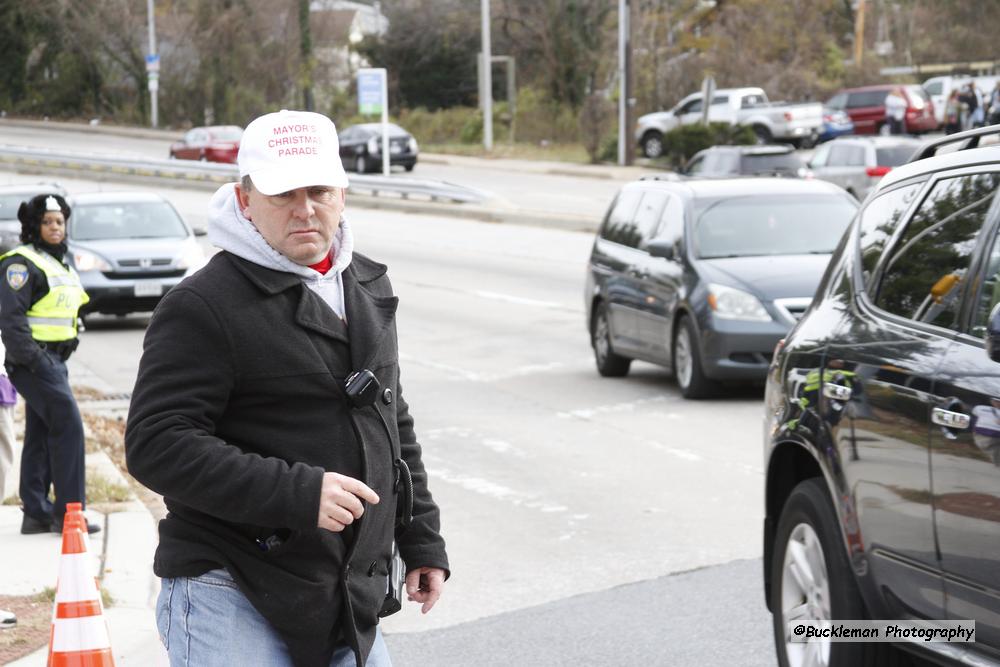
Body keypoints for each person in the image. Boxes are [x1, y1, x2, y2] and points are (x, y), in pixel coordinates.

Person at [125, 109, 449, 667]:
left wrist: (421, 538)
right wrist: (298, 493)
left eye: (319, 190)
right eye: (283, 194)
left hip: (343, 594)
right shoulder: (203, 305)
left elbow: (391, 422)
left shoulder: (367, 284)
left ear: (342, 192)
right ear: (244, 199)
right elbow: (157, 444)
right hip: (229, 588)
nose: (305, 210)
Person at [0, 194, 99, 535]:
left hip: (55, 360)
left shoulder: (59, 262)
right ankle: (71, 514)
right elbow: (11, 322)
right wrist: (36, 359)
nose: (55, 227)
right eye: (47, 222)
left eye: (59, 221)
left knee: (42, 432)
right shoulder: (20, 263)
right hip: (33, 361)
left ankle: (37, 513)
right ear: (33, 226)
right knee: (69, 426)